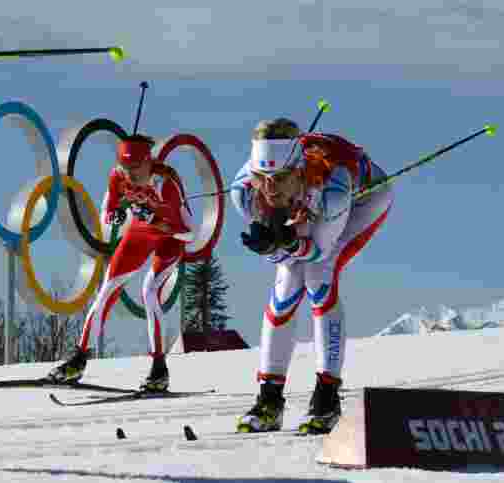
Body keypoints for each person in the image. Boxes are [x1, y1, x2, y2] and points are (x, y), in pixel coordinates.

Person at [230, 118, 393, 435]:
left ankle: (327, 398)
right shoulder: (245, 191)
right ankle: (269, 400)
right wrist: (271, 247)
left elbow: (318, 250)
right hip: (307, 201)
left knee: (319, 277)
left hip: (364, 200)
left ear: (298, 171)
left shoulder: (334, 188)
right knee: (285, 288)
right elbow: (283, 258)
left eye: (279, 178)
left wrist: (288, 242)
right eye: (262, 178)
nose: (270, 189)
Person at [48, 134, 195, 391]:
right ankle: (78, 359)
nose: (130, 175)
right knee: (107, 290)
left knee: (149, 292)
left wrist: (155, 221)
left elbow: (188, 232)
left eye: (135, 168)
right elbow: (109, 205)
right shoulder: (118, 175)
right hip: (139, 233)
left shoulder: (166, 183)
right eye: (125, 168)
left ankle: (159, 370)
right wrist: (114, 214)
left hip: (169, 238)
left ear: (148, 162)